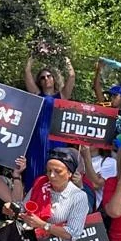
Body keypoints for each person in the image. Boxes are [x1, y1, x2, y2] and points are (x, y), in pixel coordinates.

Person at [22, 52, 75, 187]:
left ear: (54, 78)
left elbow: (72, 76)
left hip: (56, 139)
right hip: (37, 140)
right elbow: (27, 71)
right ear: (39, 82)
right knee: (34, 173)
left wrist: (64, 56)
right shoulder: (37, 94)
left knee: (56, 169)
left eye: (49, 76)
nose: (46, 79)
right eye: (42, 78)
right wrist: (34, 53)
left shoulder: (62, 96)